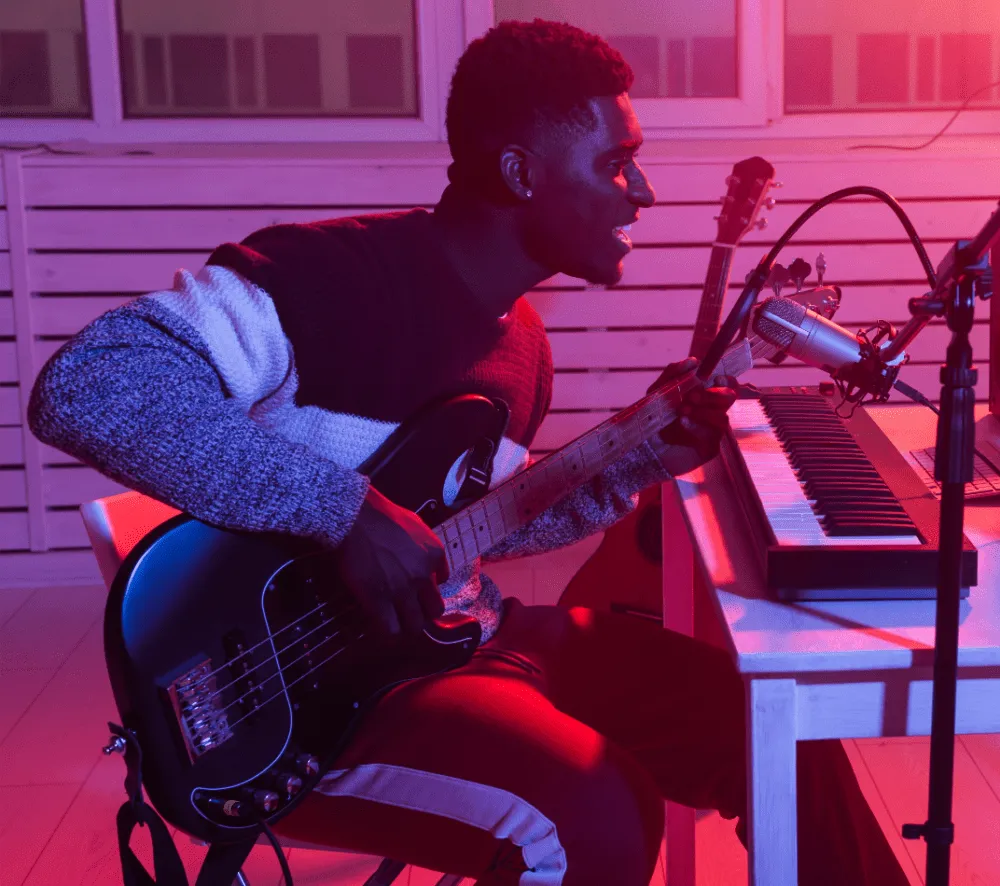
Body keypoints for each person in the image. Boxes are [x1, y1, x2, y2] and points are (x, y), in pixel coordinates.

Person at [29, 19, 910, 886]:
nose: (641, 191)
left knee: (768, 720)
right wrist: (344, 512)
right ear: (520, 172)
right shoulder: (324, 279)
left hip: (465, 637)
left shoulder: (524, 345)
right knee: (595, 816)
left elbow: (474, 526)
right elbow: (91, 387)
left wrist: (644, 457)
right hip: (314, 697)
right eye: (613, 163)